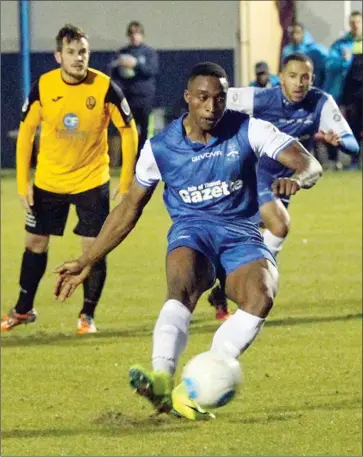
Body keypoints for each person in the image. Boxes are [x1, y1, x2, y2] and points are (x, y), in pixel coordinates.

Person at [54, 62, 323, 420]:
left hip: (240, 233)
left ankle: (193, 390)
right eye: (203, 98)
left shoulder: (248, 129)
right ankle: (161, 378)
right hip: (192, 230)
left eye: (219, 98)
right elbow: (128, 208)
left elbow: (309, 163)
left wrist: (299, 179)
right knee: (182, 282)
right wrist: (87, 259)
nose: (212, 106)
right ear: (188, 99)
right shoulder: (161, 148)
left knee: (261, 295)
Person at [0, 24, 138, 334]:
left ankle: (87, 315)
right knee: (34, 243)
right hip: (49, 181)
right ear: (58, 56)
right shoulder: (43, 87)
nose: (78, 58)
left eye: (83, 52)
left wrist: (126, 179)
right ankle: (23, 310)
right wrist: (23, 182)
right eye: (72, 52)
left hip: (91, 181)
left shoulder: (104, 87)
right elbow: (25, 134)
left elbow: (128, 130)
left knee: (94, 247)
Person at [208, 52, 359, 318]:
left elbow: (352, 144)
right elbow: (215, 98)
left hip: (283, 183)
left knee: (247, 240)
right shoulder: (261, 98)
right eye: (292, 76)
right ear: (280, 78)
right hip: (250, 175)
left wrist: (338, 141)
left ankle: (221, 290)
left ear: (312, 79)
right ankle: (256, 283)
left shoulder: (320, 102)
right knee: (279, 225)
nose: (299, 83)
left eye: (305, 77)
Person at [109, 21, 159, 157]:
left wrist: (136, 64)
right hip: (128, 99)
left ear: (141, 35)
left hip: (144, 99)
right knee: (128, 131)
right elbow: (113, 74)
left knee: (145, 132)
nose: (134, 36)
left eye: (137, 33)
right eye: (131, 33)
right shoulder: (122, 53)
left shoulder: (149, 53)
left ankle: (143, 161)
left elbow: (152, 70)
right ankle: (128, 161)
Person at [323, 11, 362, 170]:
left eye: (357, 22)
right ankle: (353, 161)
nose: (355, 25)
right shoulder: (341, 44)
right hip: (349, 93)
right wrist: (344, 61)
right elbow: (329, 65)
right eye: (352, 22)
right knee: (351, 126)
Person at [282, 22, 328, 89]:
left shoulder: (315, 49)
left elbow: (327, 67)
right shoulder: (287, 50)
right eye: (292, 33)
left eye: (297, 32)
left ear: (303, 33)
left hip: (314, 85)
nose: (295, 36)